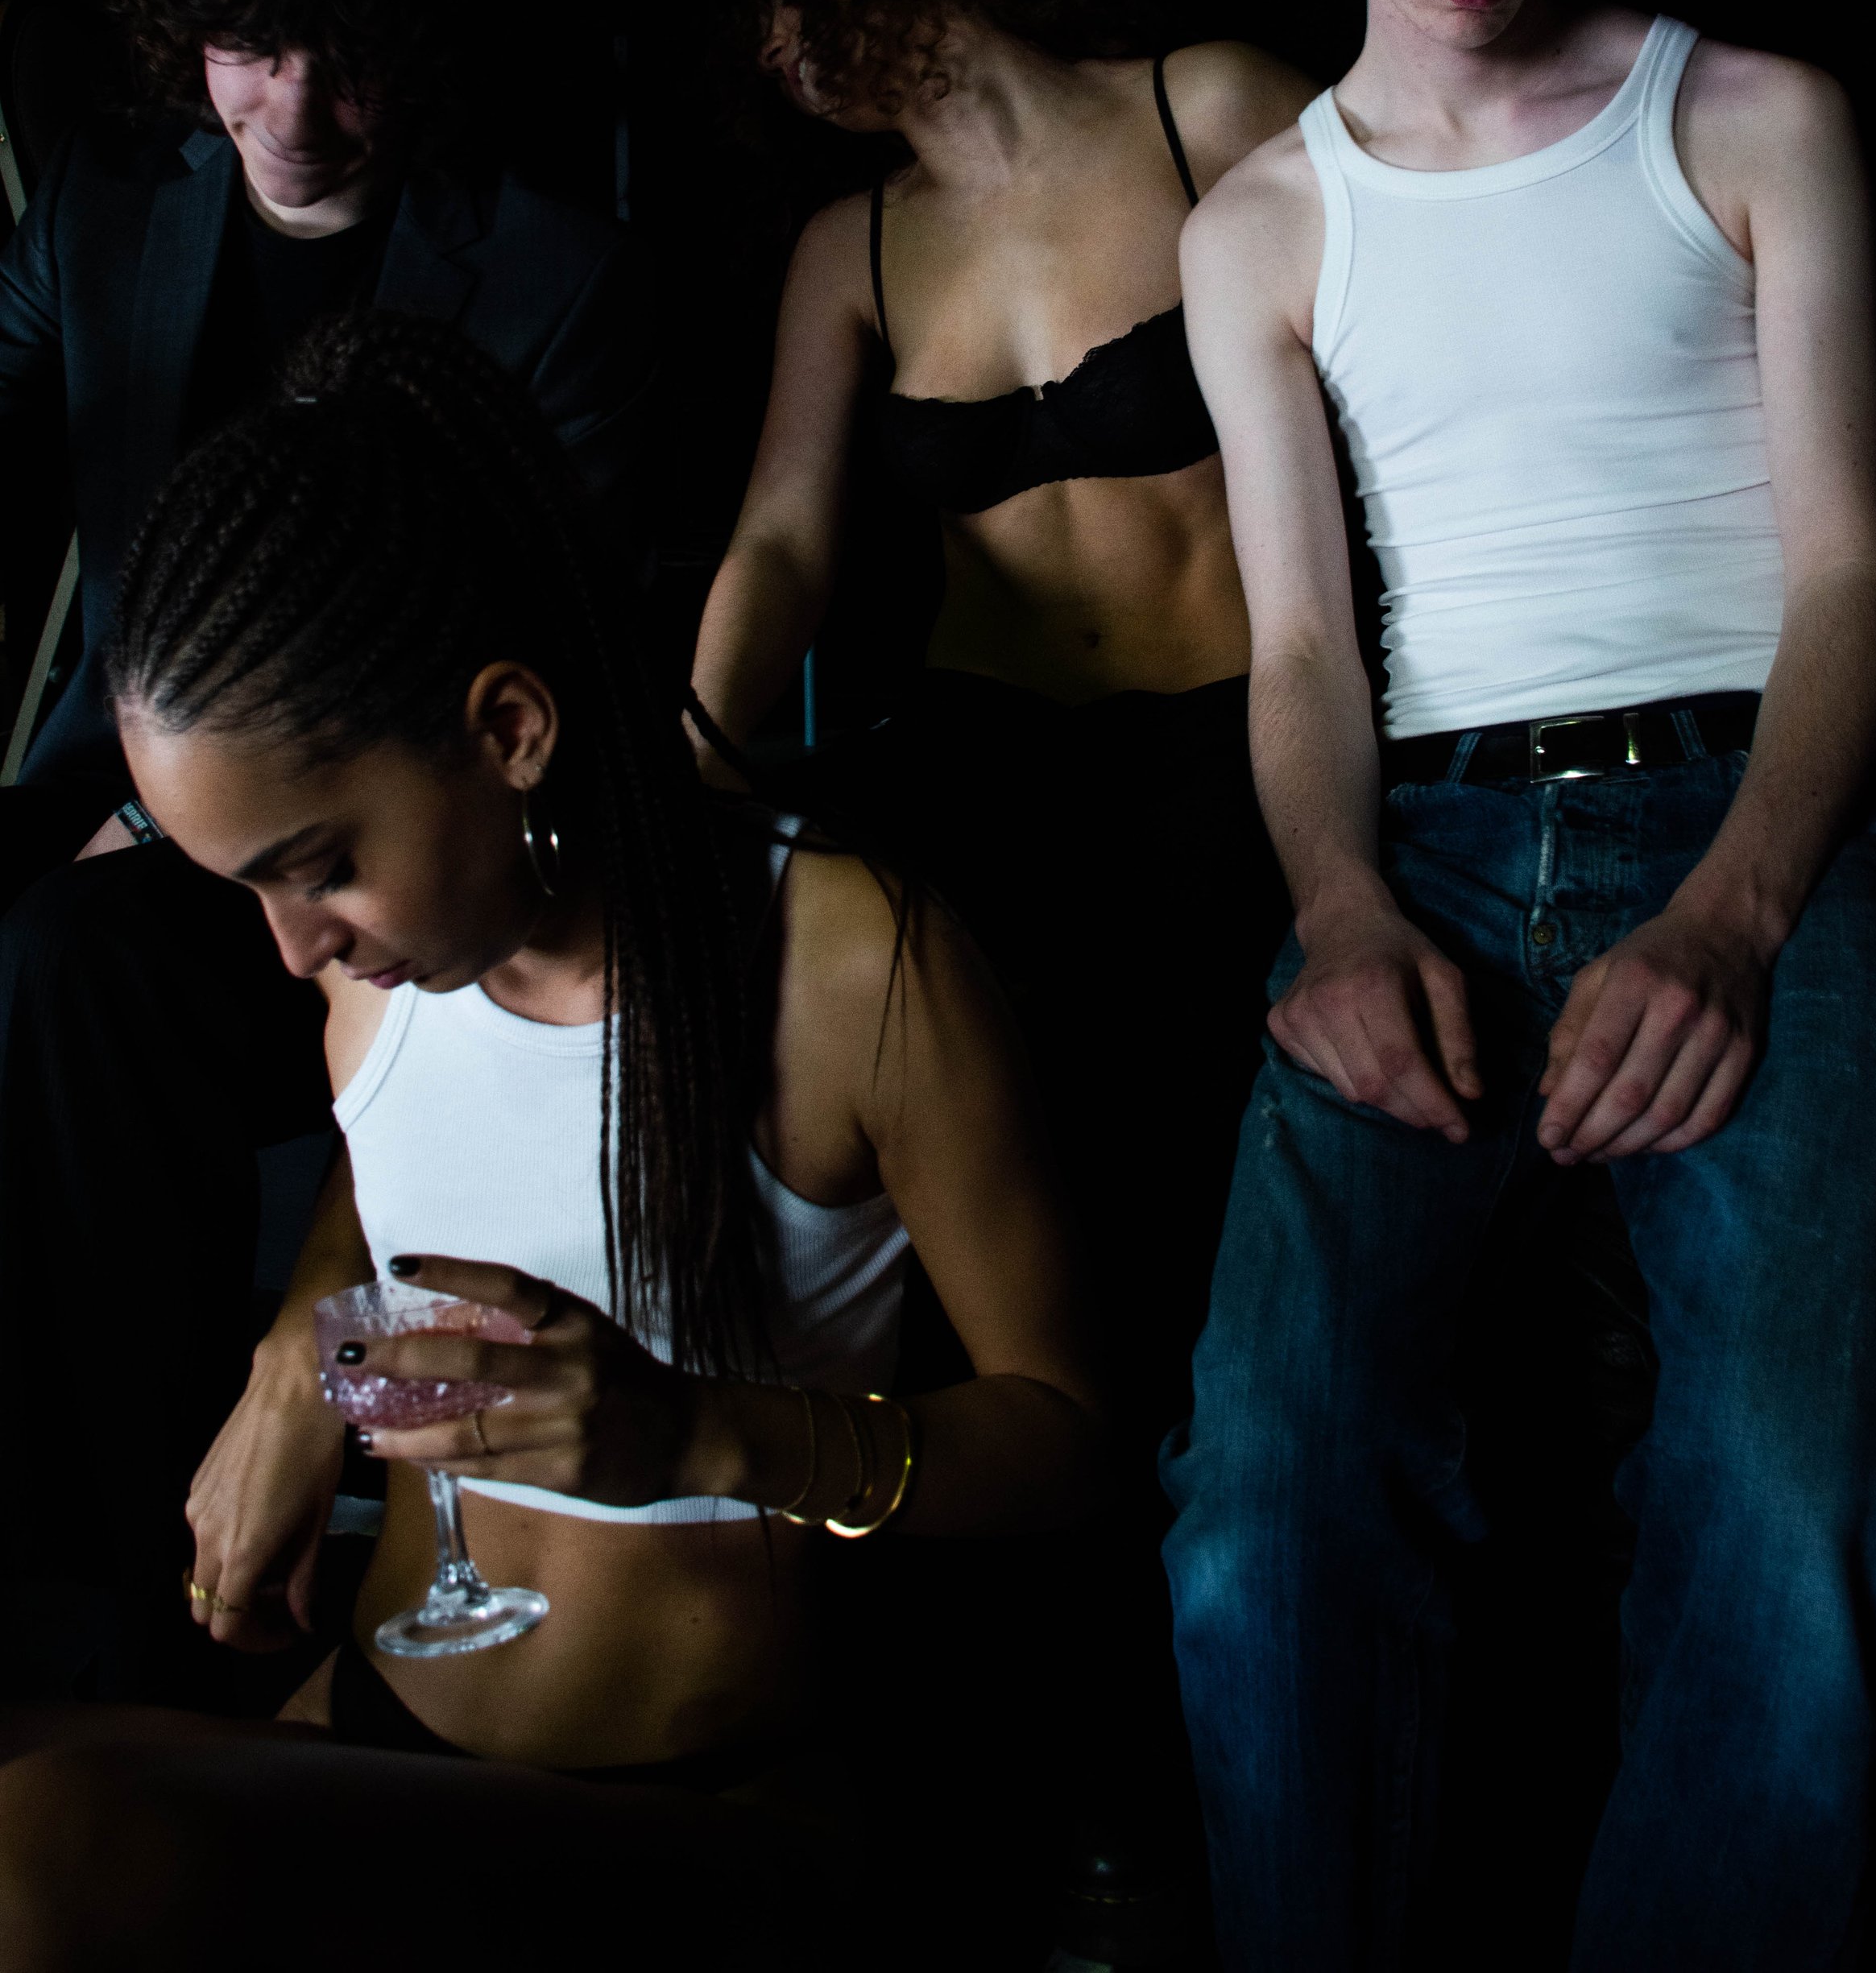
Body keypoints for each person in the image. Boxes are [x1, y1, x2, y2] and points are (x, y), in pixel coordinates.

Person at [1159, 0, 1876, 1971]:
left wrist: (1721, 916)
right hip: (1419, 836)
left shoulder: (1750, 113)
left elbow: (1849, 581)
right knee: (1260, 1498)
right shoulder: (1260, 222)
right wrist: (1342, 899)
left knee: (1809, 1502)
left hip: (1764, 821)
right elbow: (1296, 640)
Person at [0, 311, 1104, 1972]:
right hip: (383, 1731)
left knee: (52, 1859)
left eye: (318, 866)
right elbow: (418, 1176)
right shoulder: (386, 976)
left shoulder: (842, 965)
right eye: (246, 889)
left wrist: (702, 1439)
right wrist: (302, 1360)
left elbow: (1070, 1444)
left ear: (508, 728)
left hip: (703, 1816)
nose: (293, 946)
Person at [688, 0, 1310, 1921]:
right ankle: (1069, 1816)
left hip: (1231, 762)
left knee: (1221, 1272)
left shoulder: (1203, 101)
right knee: (1020, 1317)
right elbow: (779, 534)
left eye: (779, 2)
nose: (769, 57)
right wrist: (691, 757)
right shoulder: (849, 247)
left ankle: (1236, 1797)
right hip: (980, 798)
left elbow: (1401, 410)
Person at [0, 0, 660, 1698]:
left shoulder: (552, 283)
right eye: (245, 45)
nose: (289, 108)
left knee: (60, 973)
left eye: (341, 58)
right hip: (139, 814)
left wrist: (180, 810)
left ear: (417, 48)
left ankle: (122, 1616)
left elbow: (578, 681)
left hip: (426, 860)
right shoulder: (117, 224)